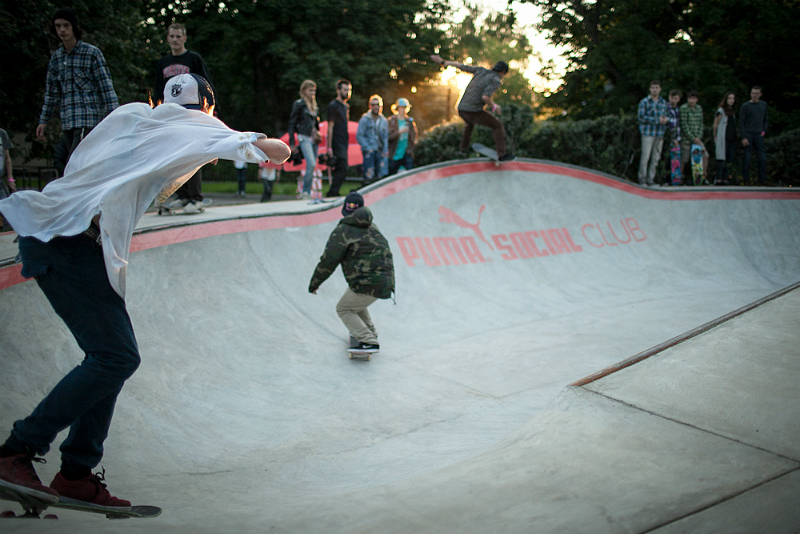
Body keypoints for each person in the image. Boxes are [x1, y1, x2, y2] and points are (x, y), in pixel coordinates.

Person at [0, 73, 290, 508]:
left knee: (113, 357)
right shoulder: (202, 127)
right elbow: (278, 153)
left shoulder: (133, 116)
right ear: (208, 105)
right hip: (71, 244)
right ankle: (17, 450)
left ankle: (76, 472)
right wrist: (231, 135)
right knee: (115, 356)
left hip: (51, 229)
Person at [309, 191, 394, 353]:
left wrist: (315, 283)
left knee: (343, 308)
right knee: (353, 296)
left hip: (367, 281)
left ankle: (368, 341)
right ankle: (369, 331)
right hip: (384, 280)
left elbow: (329, 260)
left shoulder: (343, 230)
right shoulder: (373, 228)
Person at [35, 7, 119, 165]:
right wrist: (43, 120)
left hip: (88, 120)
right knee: (82, 165)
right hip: (68, 121)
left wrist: (116, 117)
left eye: (66, 25)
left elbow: (106, 88)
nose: (62, 30)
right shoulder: (57, 58)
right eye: (58, 26)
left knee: (75, 163)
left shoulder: (91, 54)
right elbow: (52, 93)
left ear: (74, 27)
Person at [154, 23, 217, 211]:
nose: (174, 40)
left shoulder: (193, 59)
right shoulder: (163, 63)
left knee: (191, 154)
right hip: (170, 116)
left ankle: (196, 198)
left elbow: (205, 83)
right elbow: (158, 89)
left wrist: (212, 109)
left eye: (178, 36)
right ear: (167, 39)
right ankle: (182, 195)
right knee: (174, 156)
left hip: (191, 115)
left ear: (184, 38)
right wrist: (156, 112)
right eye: (171, 36)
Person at [429, 54, 514, 162]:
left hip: (461, 109)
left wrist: (443, 62)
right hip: (472, 111)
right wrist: (494, 107)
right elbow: (485, 97)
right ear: (502, 72)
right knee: (497, 125)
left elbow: (461, 66)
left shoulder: (481, 70)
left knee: (469, 124)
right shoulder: (496, 80)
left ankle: (462, 150)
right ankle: (502, 154)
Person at [287, 80, 321, 200]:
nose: (312, 93)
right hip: (303, 136)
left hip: (314, 138)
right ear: (304, 91)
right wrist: (292, 143)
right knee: (311, 163)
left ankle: (308, 191)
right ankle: (305, 192)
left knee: (312, 166)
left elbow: (315, 123)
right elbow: (291, 123)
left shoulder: (314, 105)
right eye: (310, 90)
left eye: (314, 91)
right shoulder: (299, 104)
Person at [636, 81, 669, 187]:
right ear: (650, 89)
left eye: (657, 88)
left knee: (655, 158)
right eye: (653, 88)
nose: (655, 89)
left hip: (659, 133)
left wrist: (665, 120)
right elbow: (641, 117)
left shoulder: (663, 102)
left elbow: (666, 114)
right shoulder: (645, 102)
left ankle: (651, 179)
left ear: (660, 89)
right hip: (648, 133)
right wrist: (656, 120)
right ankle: (642, 178)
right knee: (645, 156)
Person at [326, 79, 352, 197]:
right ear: (338, 90)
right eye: (345, 90)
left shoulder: (345, 106)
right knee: (343, 167)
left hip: (344, 140)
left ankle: (334, 192)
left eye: (349, 90)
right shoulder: (333, 106)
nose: (347, 92)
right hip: (336, 141)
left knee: (340, 167)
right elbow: (330, 127)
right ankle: (332, 192)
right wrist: (329, 147)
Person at [356, 95, 389, 187]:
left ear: (381, 106)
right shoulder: (365, 119)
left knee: (380, 176)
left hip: (380, 151)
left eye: (377, 104)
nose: (375, 107)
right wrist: (368, 148)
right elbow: (359, 135)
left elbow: (385, 137)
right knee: (369, 175)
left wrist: (384, 151)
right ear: (370, 106)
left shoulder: (383, 121)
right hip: (369, 151)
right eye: (373, 105)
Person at [740, 86, 768, 186]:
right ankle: (746, 179)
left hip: (758, 134)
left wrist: (763, 132)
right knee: (747, 158)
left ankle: (763, 179)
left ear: (760, 94)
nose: (754, 95)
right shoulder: (746, 106)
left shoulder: (763, 105)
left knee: (762, 158)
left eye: (756, 93)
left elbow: (765, 119)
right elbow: (742, 122)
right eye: (753, 93)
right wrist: (744, 137)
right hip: (748, 134)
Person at [387, 98, 418, 176]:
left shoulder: (409, 121)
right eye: (401, 107)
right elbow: (388, 137)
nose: (403, 110)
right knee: (392, 176)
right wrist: (399, 132)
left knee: (409, 175)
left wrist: (411, 148)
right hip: (394, 153)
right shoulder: (392, 121)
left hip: (406, 152)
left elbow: (415, 136)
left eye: (405, 107)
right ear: (397, 108)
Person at [713, 92, 738, 185]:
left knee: (729, 158)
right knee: (721, 158)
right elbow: (715, 124)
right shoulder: (721, 111)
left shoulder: (732, 112)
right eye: (729, 98)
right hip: (722, 137)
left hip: (731, 138)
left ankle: (726, 177)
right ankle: (719, 177)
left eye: (733, 99)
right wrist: (715, 136)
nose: (731, 100)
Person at [664, 89, 682, 185]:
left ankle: (675, 179)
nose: (673, 100)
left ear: (678, 99)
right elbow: (668, 125)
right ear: (669, 97)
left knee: (675, 161)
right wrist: (672, 139)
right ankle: (666, 179)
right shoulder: (666, 108)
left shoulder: (678, 110)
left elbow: (678, 125)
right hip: (668, 138)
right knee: (667, 159)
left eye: (675, 98)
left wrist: (678, 139)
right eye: (672, 98)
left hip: (677, 138)